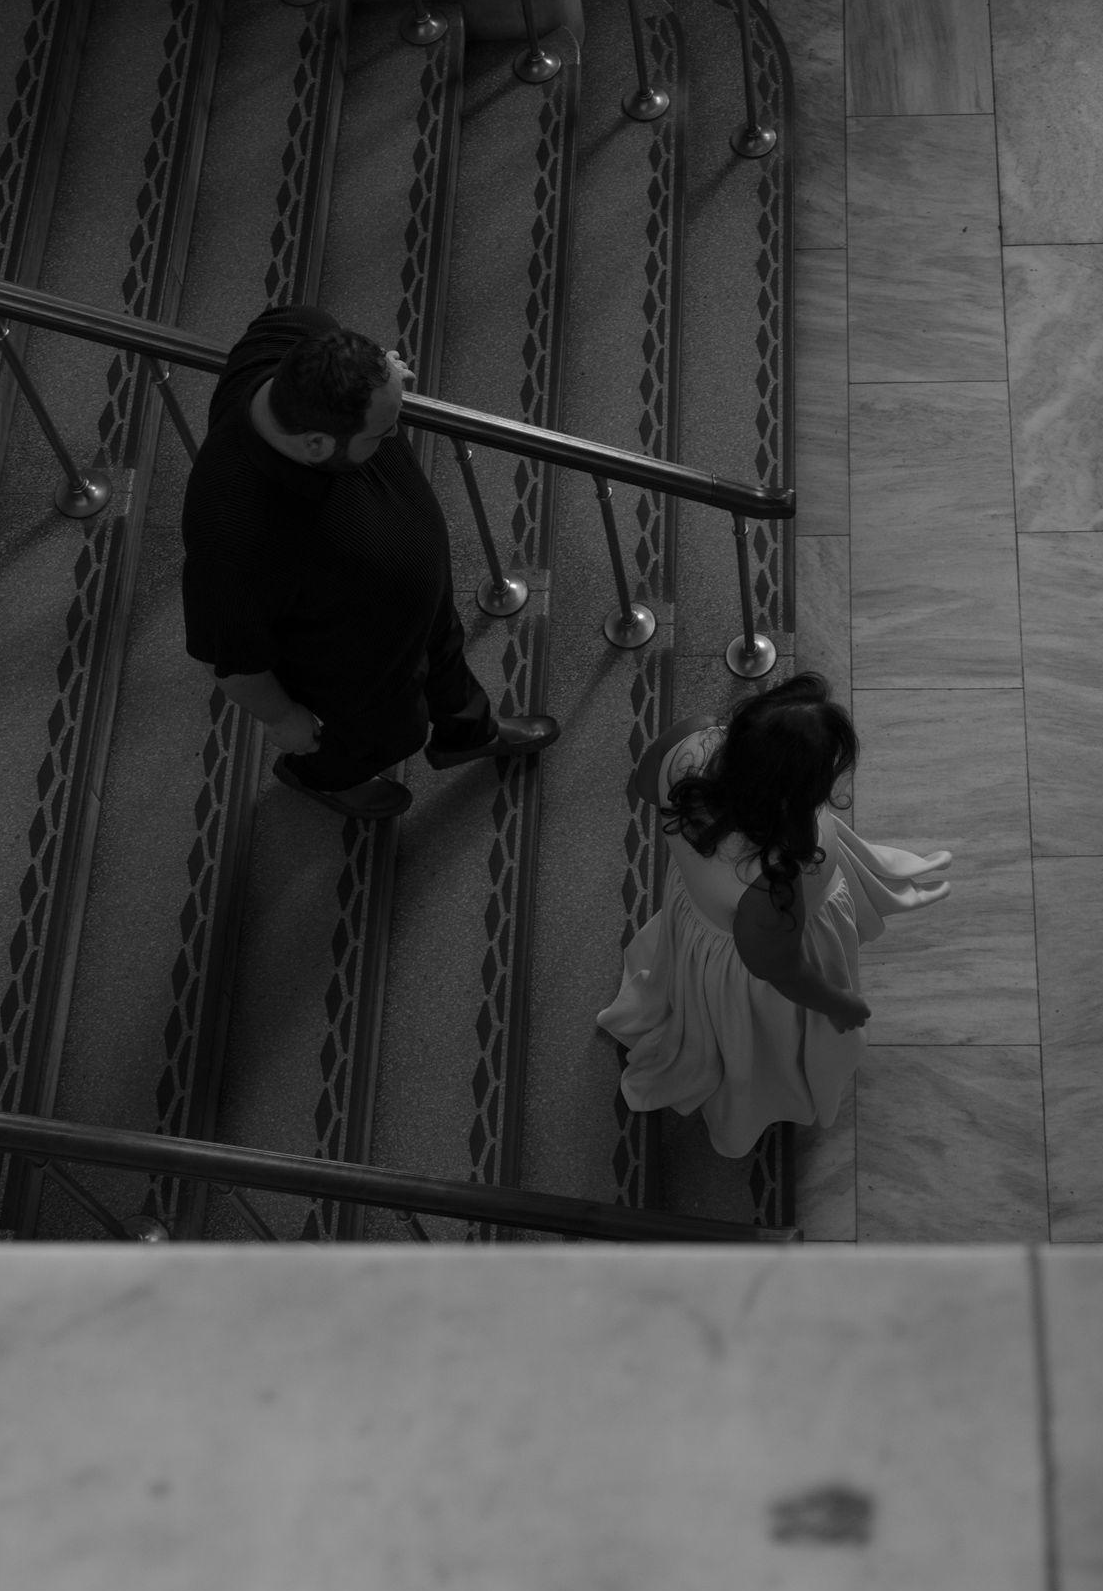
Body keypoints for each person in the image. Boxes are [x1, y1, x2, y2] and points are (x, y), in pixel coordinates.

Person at [180, 304, 558, 820]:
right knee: (392, 733)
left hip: (419, 607)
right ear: (316, 444)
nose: (394, 435)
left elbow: (289, 316)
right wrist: (283, 718)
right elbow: (231, 661)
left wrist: (383, 372)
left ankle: (469, 734)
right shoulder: (234, 535)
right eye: (382, 433)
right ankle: (320, 777)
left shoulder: (295, 340)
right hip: (358, 666)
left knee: (447, 658)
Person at [597, 673, 951, 1159]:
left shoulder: (694, 741)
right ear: (793, 790)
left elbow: (645, 783)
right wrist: (837, 1003)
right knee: (766, 1045)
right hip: (751, 971)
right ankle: (769, 1090)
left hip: (702, 911)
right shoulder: (773, 881)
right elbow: (777, 967)